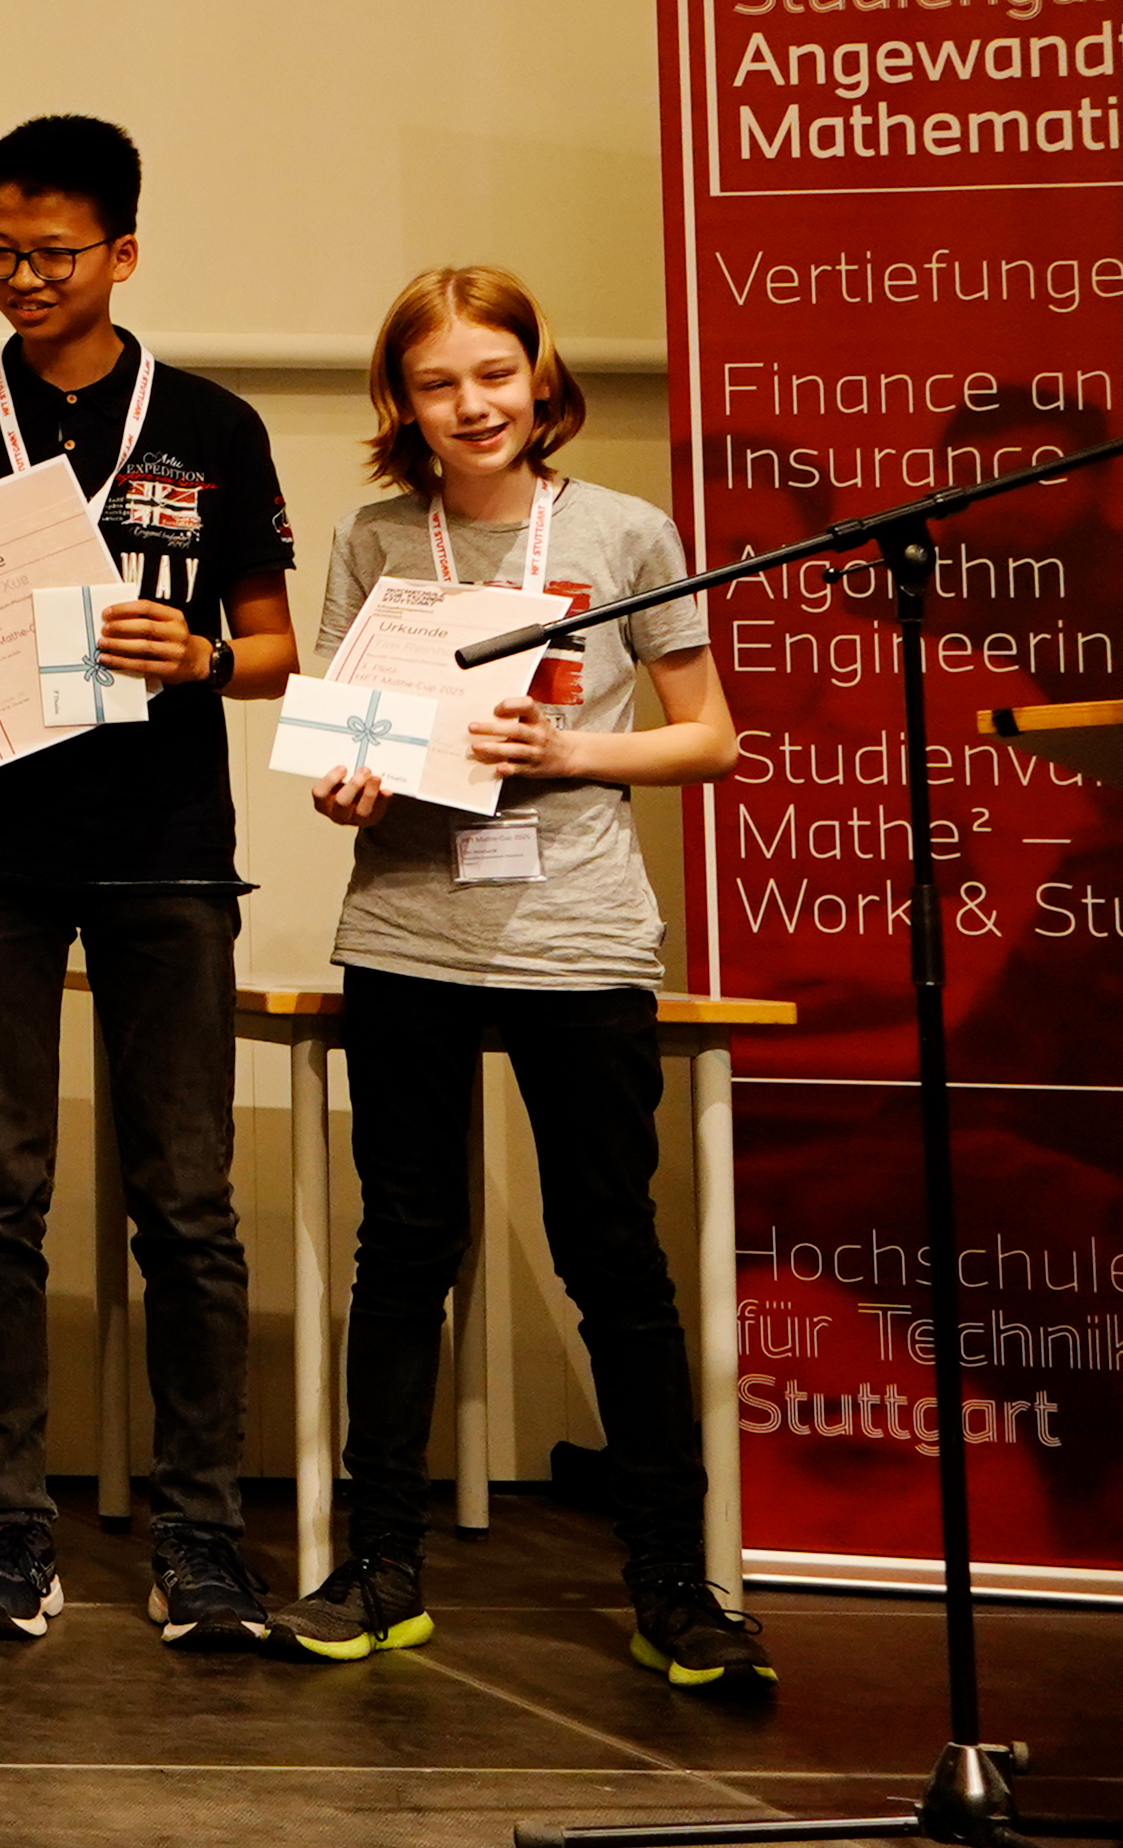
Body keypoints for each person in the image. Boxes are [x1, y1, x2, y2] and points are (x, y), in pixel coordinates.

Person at [285, 267, 769, 1694]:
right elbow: (346, 735)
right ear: (402, 403)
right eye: (438, 383)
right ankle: (381, 1567)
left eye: (493, 373)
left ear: (539, 377)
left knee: (611, 1251)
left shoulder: (624, 530)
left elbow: (710, 737)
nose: (472, 404)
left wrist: (572, 753)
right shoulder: (378, 537)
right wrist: (349, 784)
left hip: (578, 939)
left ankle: (675, 1586)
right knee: (403, 1250)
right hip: (409, 932)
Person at [0, 113, 297, 1651]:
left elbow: (274, 646)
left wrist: (205, 655)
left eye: (52, 254)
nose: (23, 278)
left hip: (163, 847)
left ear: (123, 251)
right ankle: (8, 1530)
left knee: (187, 1202)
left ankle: (202, 1536)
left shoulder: (213, 424)